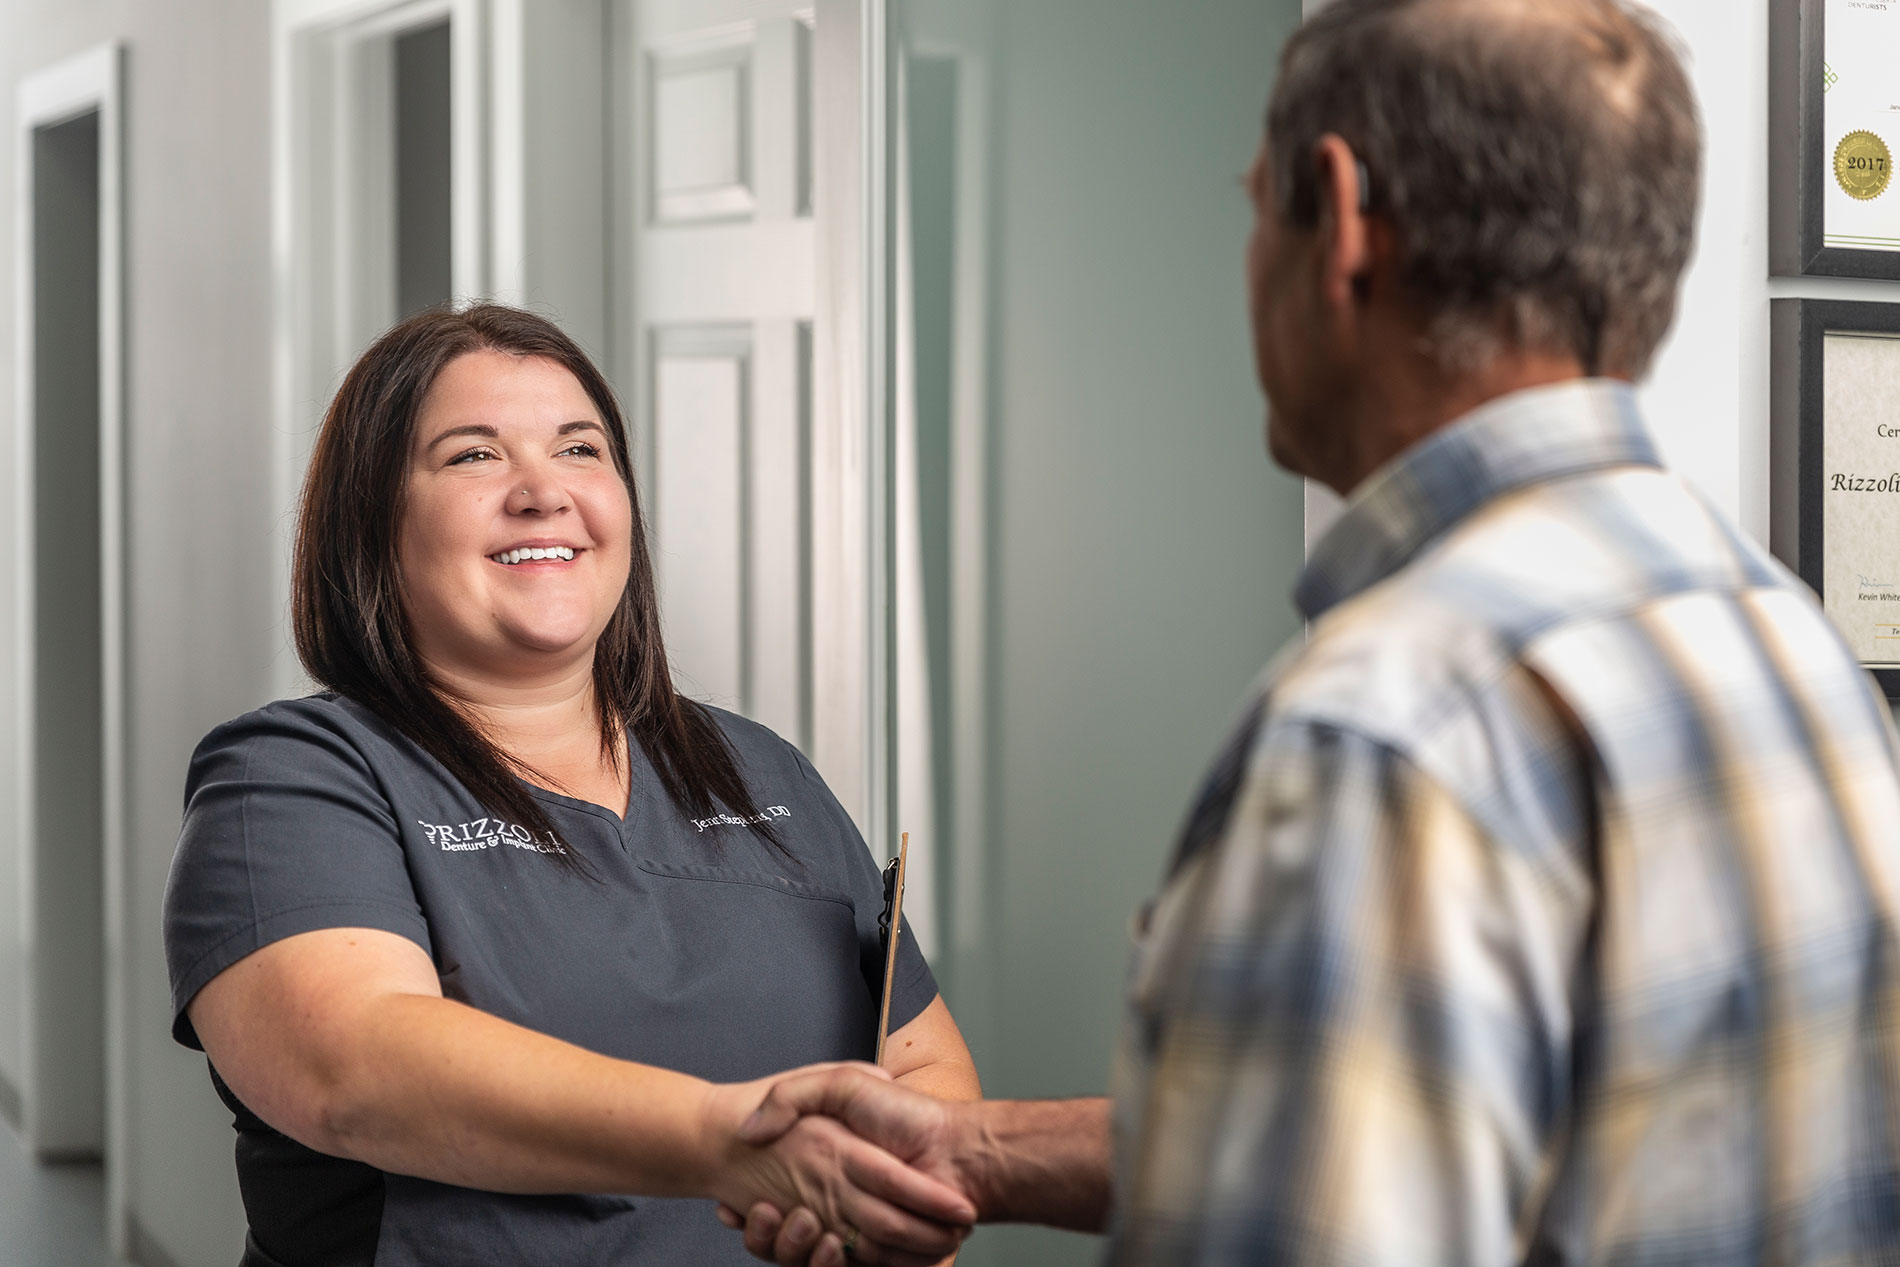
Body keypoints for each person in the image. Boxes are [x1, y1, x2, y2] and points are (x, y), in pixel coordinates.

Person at [724, 0, 1900, 1263]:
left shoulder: (1388, 731)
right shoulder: (1781, 638)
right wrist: (976, 1150)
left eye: (1249, 206)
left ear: (1337, 222)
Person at [161, 304, 980, 1267]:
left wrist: (898, 1210)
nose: (543, 491)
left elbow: (920, 1058)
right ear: (371, 523)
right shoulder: (293, 780)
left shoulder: (764, 770)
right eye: (474, 456)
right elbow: (358, 1068)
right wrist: (737, 1144)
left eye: (581, 449)